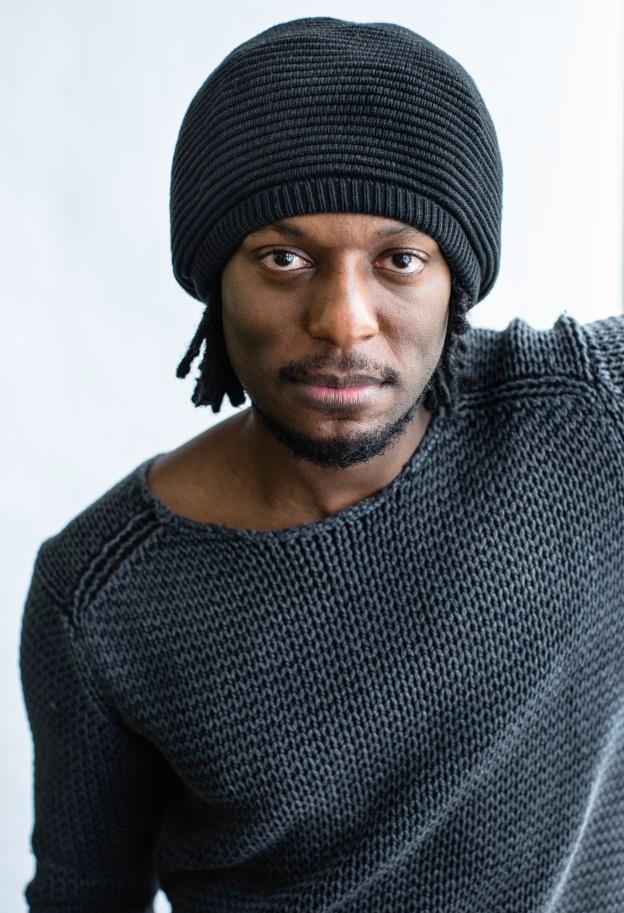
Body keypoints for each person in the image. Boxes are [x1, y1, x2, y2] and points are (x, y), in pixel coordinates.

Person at [19, 15, 624, 913]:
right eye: (285, 257)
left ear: (456, 280)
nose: (344, 321)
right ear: (214, 281)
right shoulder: (101, 598)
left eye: (400, 259)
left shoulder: (585, 415)